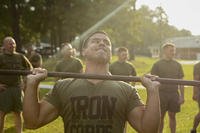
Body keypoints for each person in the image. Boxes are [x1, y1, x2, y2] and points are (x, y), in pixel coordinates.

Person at [23, 31, 161, 133]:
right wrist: (32, 85)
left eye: (107, 43)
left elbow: (148, 129)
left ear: (110, 52)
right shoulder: (63, 87)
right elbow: (32, 121)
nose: (102, 43)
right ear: (84, 51)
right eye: (95, 41)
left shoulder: (127, 90)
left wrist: (153, 91)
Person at [0, 37, 32, 133]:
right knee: (2, 113)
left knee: (18, 112)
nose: (12, 45)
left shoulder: (20, 57)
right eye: (10, 44)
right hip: (4, 89)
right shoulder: (0, 57)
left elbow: (29, 69)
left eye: (13, 43)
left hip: (17, 89)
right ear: (4, 46)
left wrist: (25, 82)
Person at [150, 42, 184, 133]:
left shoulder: (177, 65)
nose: (173, 52)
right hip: (161, 94)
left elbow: (181, 81)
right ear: (165, 51)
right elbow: (152, 81)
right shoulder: (157, 64)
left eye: (174, 50)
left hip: (174, 94)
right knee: (161, 117)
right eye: (171, 50)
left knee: (172, 116)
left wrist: (182, 96)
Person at [191, 62, 200, 133]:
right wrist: (195, 93)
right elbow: (196, 80)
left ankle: (193, 129)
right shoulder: (197, 66)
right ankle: (193, 129)